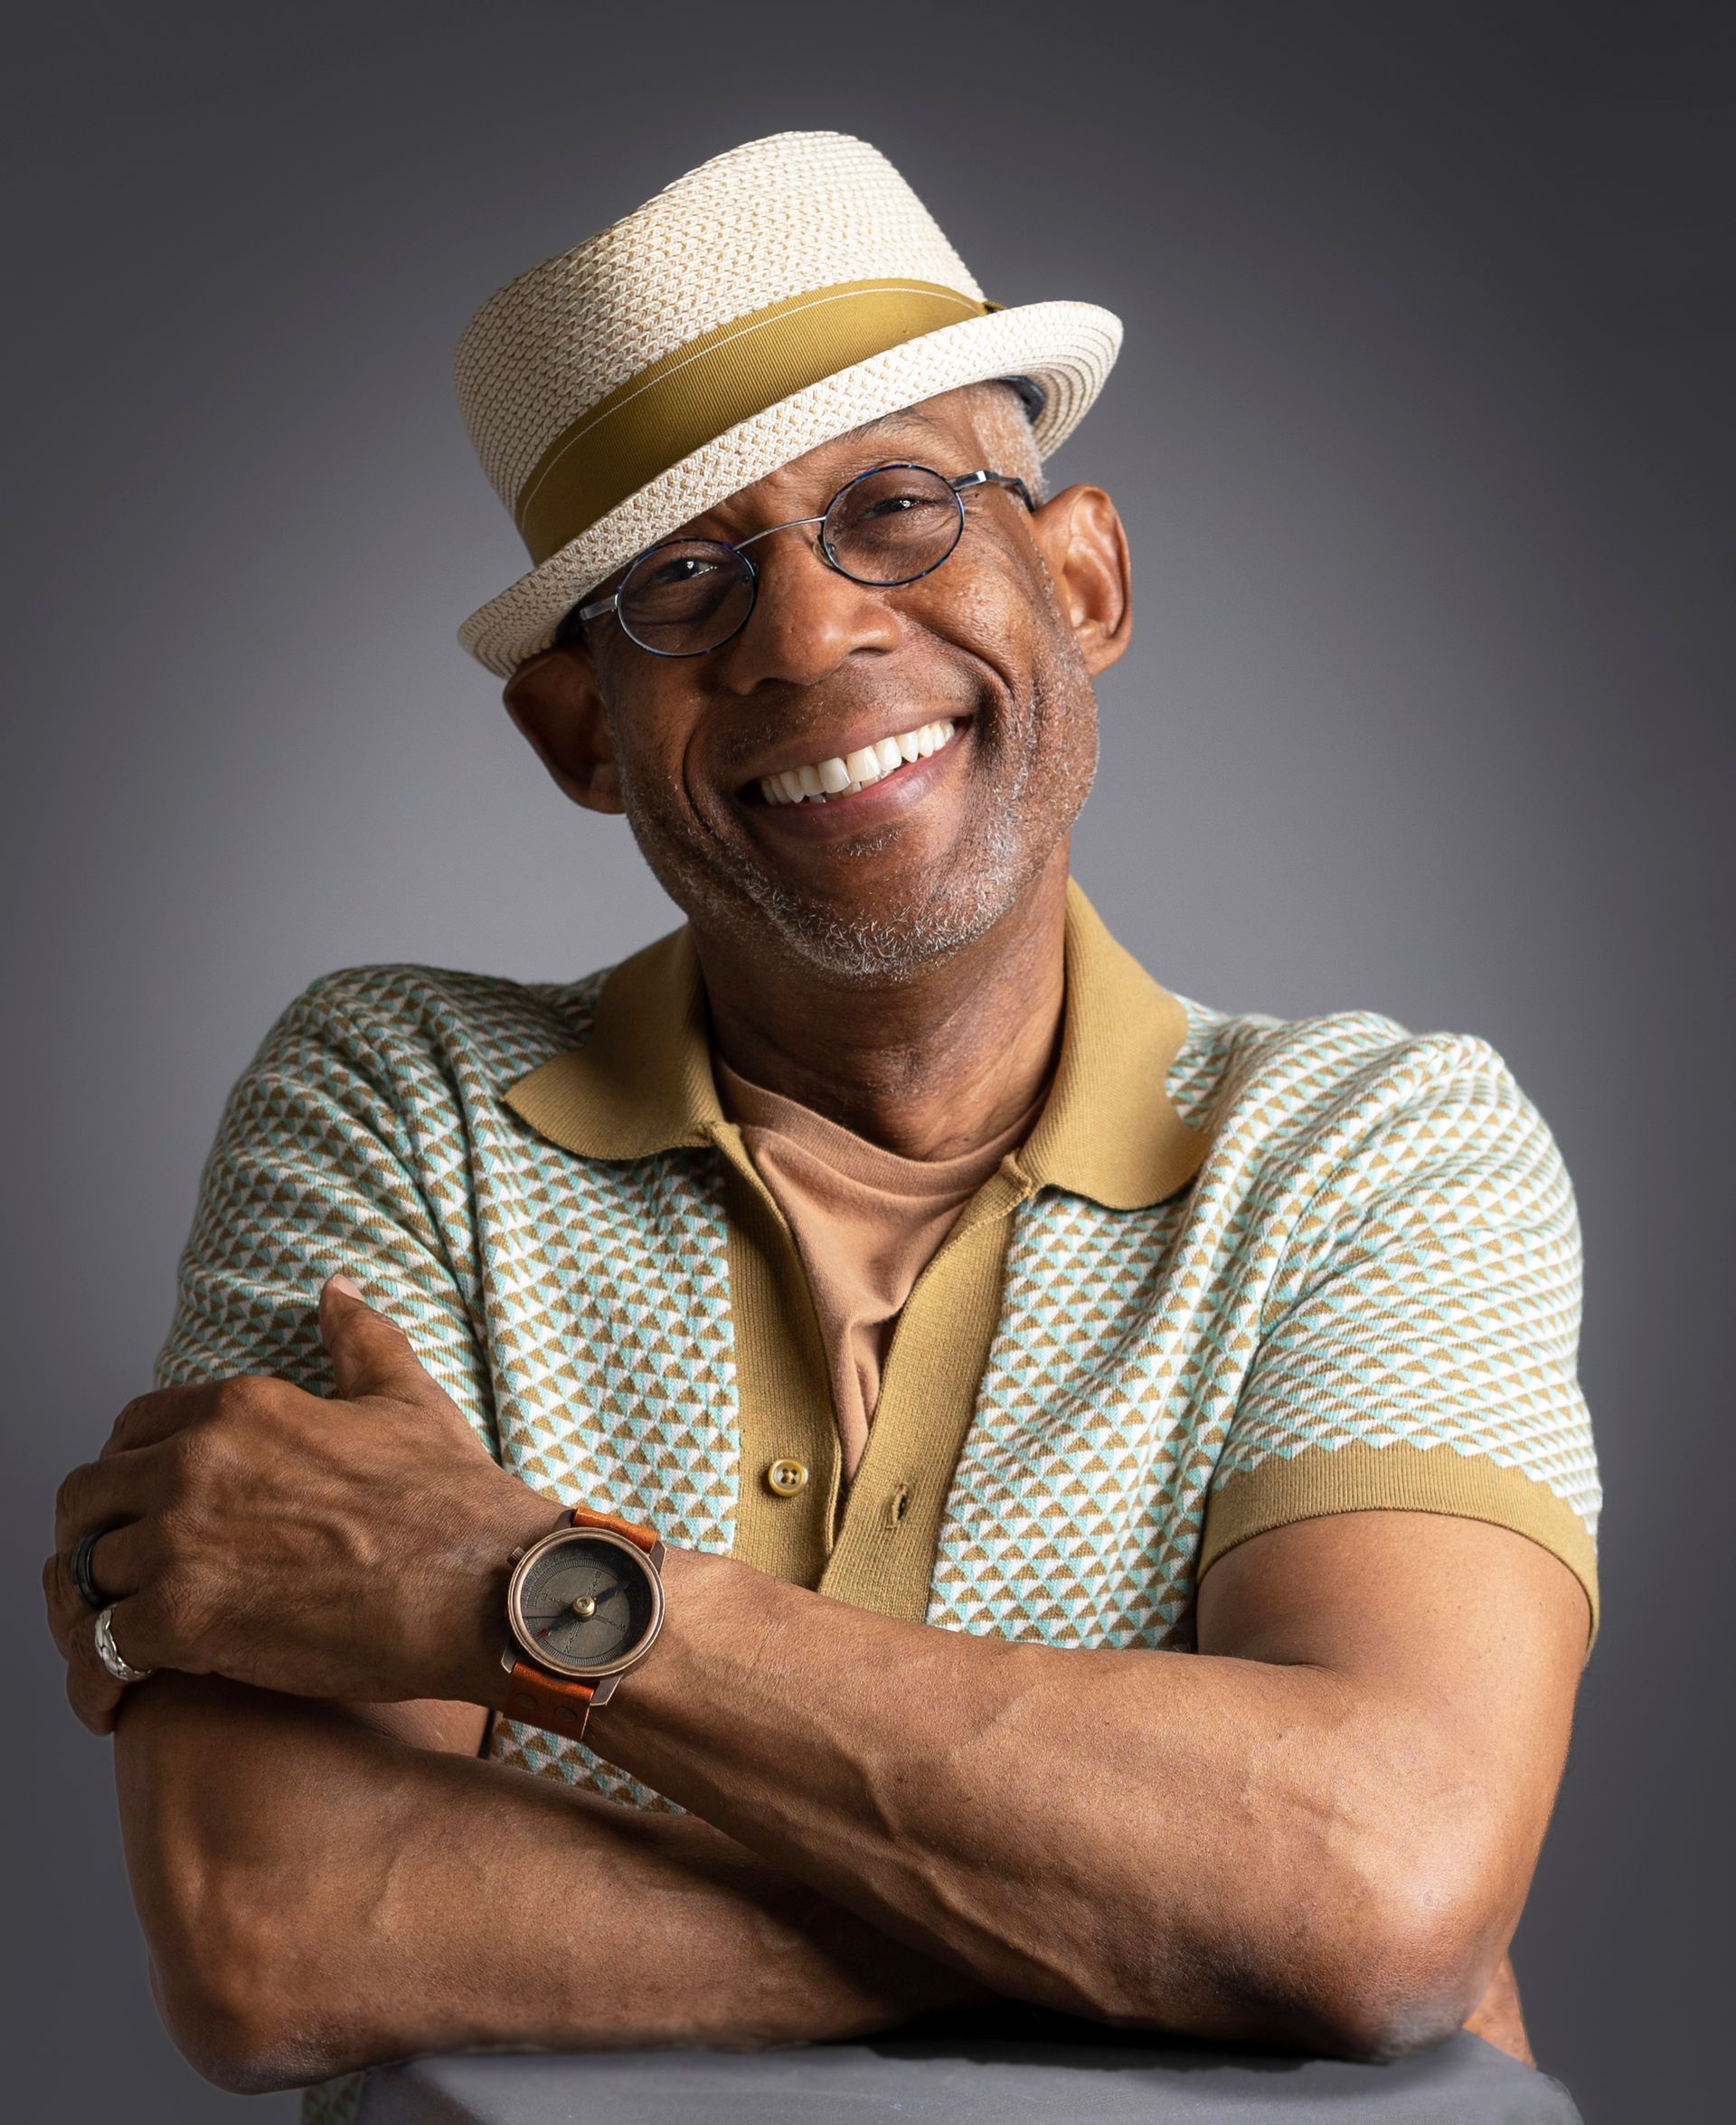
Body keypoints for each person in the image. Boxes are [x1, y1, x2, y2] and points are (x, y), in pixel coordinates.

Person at [43, 132, 1599, 2121]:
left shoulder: (1376, 1151)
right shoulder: (395, 1108)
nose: (801, 636)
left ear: (1084, 579)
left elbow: (1378, 1884)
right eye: (682, 580)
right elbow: (272, 1929)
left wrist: (510, 1583)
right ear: (581, 733)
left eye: (895, 508)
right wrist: (1213, 1929)